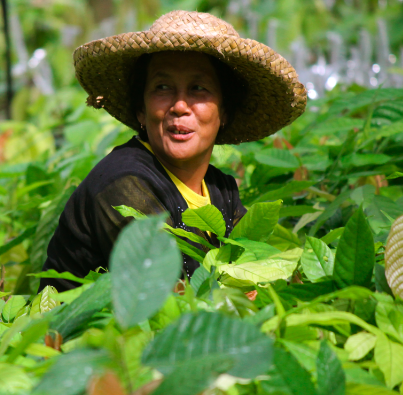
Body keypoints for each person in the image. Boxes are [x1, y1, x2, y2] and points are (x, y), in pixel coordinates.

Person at [40, 10, 306, 292]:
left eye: (198, 88)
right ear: (141, 110)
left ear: (224, 112)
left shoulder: (221, 191)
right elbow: (169, 293)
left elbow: (264, 268)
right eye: (163, 87)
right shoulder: (123, 184)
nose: (180, 106)